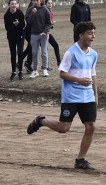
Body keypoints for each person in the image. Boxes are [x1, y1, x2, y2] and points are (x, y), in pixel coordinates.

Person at [26, 21, 99, 171]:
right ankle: (41, 121)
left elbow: (93, 74)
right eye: (90, 33)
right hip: (71, 97)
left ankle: (81, 160)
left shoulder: (93, 54)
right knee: (64, 128)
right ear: (81, 35)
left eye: (93, 33)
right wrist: (79, 80)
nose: (93, 36)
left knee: (91, 126)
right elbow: (62, 73)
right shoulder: (71, 53)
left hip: (88, 96)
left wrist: (96, 94)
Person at [27, 0, 51, 78]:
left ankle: (45, 69)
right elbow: (28, 22)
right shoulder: (30, 10)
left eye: (37, 0)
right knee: (34, 52)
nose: (35, 2)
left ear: (41, 0)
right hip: (34, 34)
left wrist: (45, 31)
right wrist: (33, 14)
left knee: (44, 52)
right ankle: (34, 70)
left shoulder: (45, 9)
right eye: (34, 0)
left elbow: (49, 23)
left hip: (44, 34)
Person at [3, 0, 25, 80]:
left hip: (20, 36)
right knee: (12, 54)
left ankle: (20, 71)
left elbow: (23, 25)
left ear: (17, 5)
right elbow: (7, 28)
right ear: (9, 5)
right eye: (12, 4)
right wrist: (14, 24)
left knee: (20, 52)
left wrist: (18, 23)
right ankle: (13, 72)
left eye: (15, 4)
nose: (13, 5)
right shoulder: (6, 15)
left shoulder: (20, 13)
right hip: (11, 36)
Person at [45, 0, 62, 68]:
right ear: (45, 4)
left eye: (51, 3)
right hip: (42, 33)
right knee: (41, 50)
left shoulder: (51, 12)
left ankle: (59, 62)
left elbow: (49, 24)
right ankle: (45, 66)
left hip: (48, 32)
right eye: (48, 3)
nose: (50, 4)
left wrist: (51, 24)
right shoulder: (44, 11)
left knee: (55, 45)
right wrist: (51, 23)